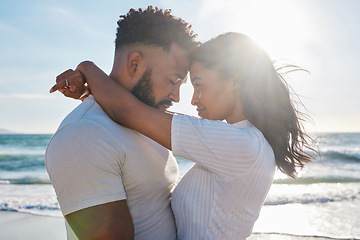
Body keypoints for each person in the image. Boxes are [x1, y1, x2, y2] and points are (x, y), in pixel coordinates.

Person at [52, 32, 317, 239]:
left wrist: (87, 67)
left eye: (199, 85)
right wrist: (92, 93)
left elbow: (127, 110)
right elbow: (132, 114)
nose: (192, 99)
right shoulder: (244, 141)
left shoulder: (242, 145)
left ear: (236, 80)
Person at [45, 6, 198, 240]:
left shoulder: (146, 120)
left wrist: (87, 68)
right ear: (135, 63)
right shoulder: (83, 135)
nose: (177, 97)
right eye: (172, 80)